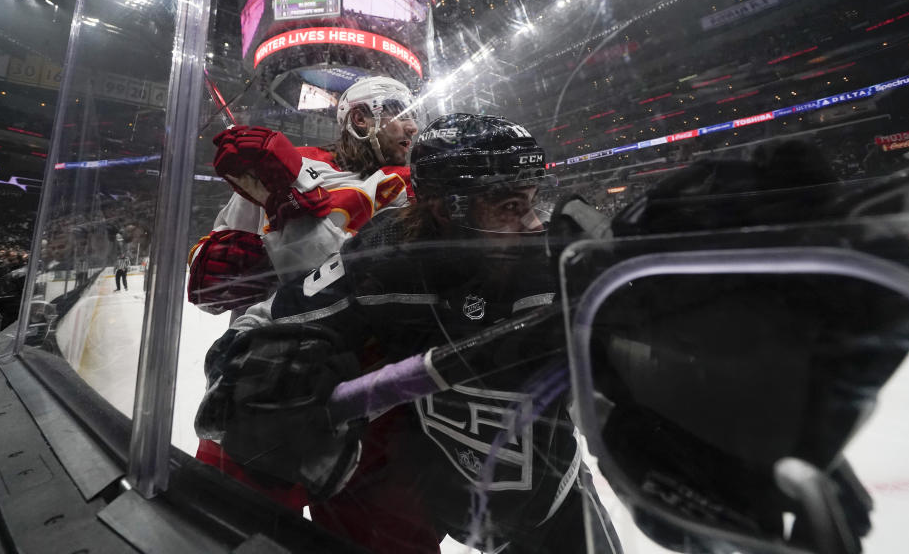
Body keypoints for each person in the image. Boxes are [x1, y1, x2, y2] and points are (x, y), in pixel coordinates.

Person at [196, 114, 604, 553]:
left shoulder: (554, 274)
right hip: (450, 501)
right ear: (447, 209)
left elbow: (613, 391)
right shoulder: (385, 259)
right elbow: (259, 326)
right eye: (509, 206)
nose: (533, 225)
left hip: (556, 503)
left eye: (531, 201)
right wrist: (251, 367)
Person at [187, 76, 420, 315]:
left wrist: (294, 211)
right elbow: (209, 272)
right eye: (403, 116)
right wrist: (227, 271)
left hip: (341, 344)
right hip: (258, 341)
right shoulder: (283, 164)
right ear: (360, 118)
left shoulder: (405, 185)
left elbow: (360, 283)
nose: (414, 128)